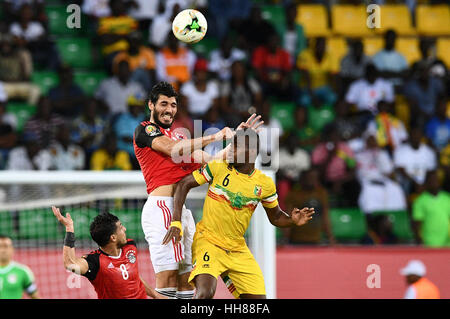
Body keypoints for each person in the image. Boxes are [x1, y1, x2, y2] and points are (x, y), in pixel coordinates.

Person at [133, 81, 262, 299]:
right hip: (161, 209)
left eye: (173, 105)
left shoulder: (181, 137)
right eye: (163, 103)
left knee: (186, 281)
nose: (169, 109)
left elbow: (211, 162)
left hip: (181, 210)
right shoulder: (146, 130)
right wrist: (215, 136)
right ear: (151, 105)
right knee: (168, 278)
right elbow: (173, 149)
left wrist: (236, 140)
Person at [163, 128, 315, 299]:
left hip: (237, 249)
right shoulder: (218, 167)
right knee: (205, 294)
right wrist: (175, 222)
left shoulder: (264, 184)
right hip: (209, 242)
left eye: (235, 147)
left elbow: (276, 216)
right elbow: (183, 184)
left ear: (250, 152)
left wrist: (292, 220)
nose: (229, 151)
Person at [50, 206, 161, 299]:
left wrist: (156, 295)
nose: (125, 229)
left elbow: (134, 277)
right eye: (121, 227)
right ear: (113, 237)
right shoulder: (95, 262)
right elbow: (70, 263)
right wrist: (69, 228)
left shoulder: (130, 246)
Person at [284, 168, 335, 245]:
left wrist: (330, 237)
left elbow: (325, 216)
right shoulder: (293, 195)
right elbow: (288, 217)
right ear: (302, 179)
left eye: (314, 178)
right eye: (309, 178)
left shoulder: (321, 193)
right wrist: (286, 238)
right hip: (296, 240)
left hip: (316, 240)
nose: (312, 180)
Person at [394, 126, 437, 195]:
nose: (416, 137)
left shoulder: (429, 152)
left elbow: (431, 171)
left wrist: (423, 183)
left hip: (424, 181)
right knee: (405, 183)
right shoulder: (400, 150)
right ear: (409, 136)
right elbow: (401, 170)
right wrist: (415, 183)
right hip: (408, 181)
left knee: (433, 181)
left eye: (418, 134)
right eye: (413, 134)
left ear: (422, 136)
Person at [412, 170, 450, 247]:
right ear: (426, 183)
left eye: (435, 180)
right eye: (431, 180)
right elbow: (417, 223)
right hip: (428, 244)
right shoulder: (420, 201)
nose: (434, 182)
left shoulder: (448, 199)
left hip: (447, 244)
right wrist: (419, 240)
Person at [252, 32, 294, 101]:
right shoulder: (260, 52)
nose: (273, 44)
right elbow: (256, 69)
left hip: (279, 82)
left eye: (275, 41)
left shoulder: (284, 54)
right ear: (267, 43)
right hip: (265, 81)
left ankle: (284, 109)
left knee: (291, 88)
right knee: (258, 87)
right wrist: (264, 79)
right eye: (271, 41)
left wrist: (285, 80)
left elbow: (288, 71)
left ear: (279, 42)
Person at [296, 37, 338, 107]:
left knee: (333, 98)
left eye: (323, 45)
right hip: (307, 88)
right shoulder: (305, 54)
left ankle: (328, 116)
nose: (321, 48)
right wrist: (313, 96)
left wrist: (335, 90)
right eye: (319, 45)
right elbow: (306, 77)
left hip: (324, 87)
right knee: (304, 100)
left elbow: (334, 76)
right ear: (314, 46)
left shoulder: (330, 56)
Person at [0, 235, 39, 299]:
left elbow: (35, 296)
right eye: (0, 246)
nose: (3, 250)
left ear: (12, 249)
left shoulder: (23, 271)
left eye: (6, 246)